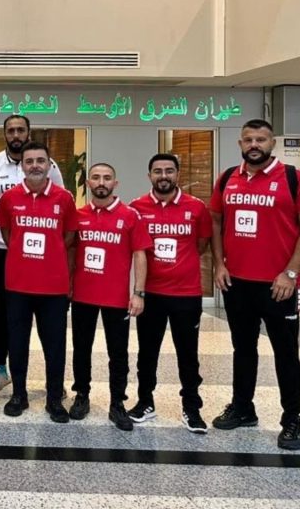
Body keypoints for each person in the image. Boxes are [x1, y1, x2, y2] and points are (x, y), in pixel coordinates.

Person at [210, 119, 300, 450]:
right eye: (248, 139)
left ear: (272, 143)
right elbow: (216, 222)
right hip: (238, 283)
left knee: (286, 353)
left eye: (261, 139)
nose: (254, 145)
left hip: (279, 285)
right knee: (243, 349)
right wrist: (219, 264)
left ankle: (292, 420)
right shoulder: (227, 178)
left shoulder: (294, 179)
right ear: (240, 144)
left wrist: (291, 272)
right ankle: (243, 408)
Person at [0, 115, 63, 394]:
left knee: (47, 317)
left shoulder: (50, 166)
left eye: (20, 130)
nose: (16, 135)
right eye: (11, 130)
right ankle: (1, 367)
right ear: (4, 134)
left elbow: (60, 204)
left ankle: (53, 378)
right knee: (4, 310)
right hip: (4, 250)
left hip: (42, 255)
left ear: (28, 132)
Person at [128, 154, 212, 433]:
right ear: (149, 175)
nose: (163, 176)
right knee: (147, 352)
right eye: (157, 171)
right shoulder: (137, 208)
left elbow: (201, 244)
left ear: (177, 174)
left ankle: (191, 407)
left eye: (169, 171)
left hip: (186, 295)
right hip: (151, 293)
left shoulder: (196, 207)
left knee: (188, 353)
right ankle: (145, 402)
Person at [0, 141, 76, 423]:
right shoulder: (9, 198)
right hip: (18, 285)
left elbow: (69, 237)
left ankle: (54, 398)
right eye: (29, 161)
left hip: (53, 287)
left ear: (49, 164)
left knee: (54, 345)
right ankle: (19, 394)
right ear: (22, 166)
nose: (35, 166)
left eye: (40, 161)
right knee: (17, 343)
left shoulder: (64, 199)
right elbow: (8, 234)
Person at [69, 163, 150, 431]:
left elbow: (140, 254)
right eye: (95, 178)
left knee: (118, 353)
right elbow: (70, 251)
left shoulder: (130, 215)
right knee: (81, 348)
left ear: (115, 183)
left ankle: (117, 403)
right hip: (83, 295)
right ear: (88, 183)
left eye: (106, 178)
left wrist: (138, 293)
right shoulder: (78, 215)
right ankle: (82, 395)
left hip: (117, 298)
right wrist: (68, 284)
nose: (101, 182)